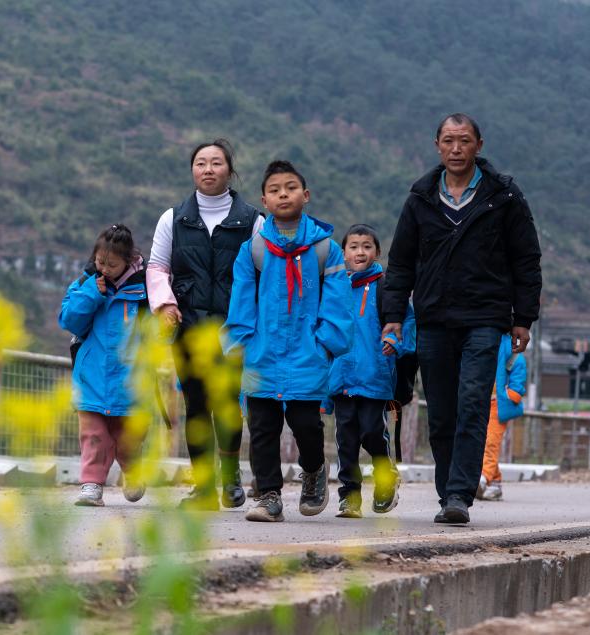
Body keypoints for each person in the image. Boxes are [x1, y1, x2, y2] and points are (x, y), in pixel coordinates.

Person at [382, 113, 542, 524]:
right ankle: (447, 491)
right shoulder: (421, 198)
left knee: (473, 402)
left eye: (464, 141)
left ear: (479, 145)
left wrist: (523, 316)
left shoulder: (503, 196)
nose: (456, 148)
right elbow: (400, 262)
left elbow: (526, 258)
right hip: (434, 318)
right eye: (449, 141)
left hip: (485, 318)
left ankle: (459, 495)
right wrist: (394, 315)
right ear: (437, 145)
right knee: (442, 411)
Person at [223, 160, 353, 522]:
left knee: (306, 425)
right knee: (262, 428)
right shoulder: (254, 249)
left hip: (306, 354)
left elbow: (338, 304)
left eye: (291, 187)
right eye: (275, 189)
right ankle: (269, 495)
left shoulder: (326, 249)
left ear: (306, 195)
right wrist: (242, 345)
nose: (283, 194)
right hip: (262, 354)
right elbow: (241, 302)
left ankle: (314, 471)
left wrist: (324, 344)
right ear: (264, 200)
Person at [147, 139, 260, 511]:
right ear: (192, 170)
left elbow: (262, 273)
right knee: (196, 404)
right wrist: (164, 304)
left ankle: (230, 478)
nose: (208, 169)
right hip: (189, 327)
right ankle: (203, 488)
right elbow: (158, 267)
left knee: (227, 403)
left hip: (232, 328)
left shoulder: (252, 220)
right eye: (200, 163)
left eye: (216, 163)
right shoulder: (174, 218)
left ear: (230, 169)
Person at [325, 224, 415, 519]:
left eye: (366, 246)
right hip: (340, 377)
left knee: (372, 432)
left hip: (374, 375)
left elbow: (407, 323)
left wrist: (395, 340)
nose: (360, 252)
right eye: (353, 246)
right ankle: (349, 497)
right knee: (346, 440)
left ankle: (386, 476)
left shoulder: (387, 287)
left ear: (377, 251)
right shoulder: (334, 287)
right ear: (343, 252)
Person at [59, 225, 150, 507]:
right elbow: (69, 320)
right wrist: (92, 294)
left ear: (128, 261)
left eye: (112, 264)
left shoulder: (145, 289)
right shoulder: (85, 283)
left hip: (130, 378)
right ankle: (91, 485)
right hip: (92, 375)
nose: (105, 269)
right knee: (94, 434)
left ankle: (133, 470)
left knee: (126, 438)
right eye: (100, 262)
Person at [477, 333, 527, 501]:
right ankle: (495, 483)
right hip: (480, 401)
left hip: (497, 404)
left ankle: (483, 479)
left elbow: (518, 367)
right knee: (482, 441)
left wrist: (511, 394)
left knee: (490, 442)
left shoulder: (509, 345)